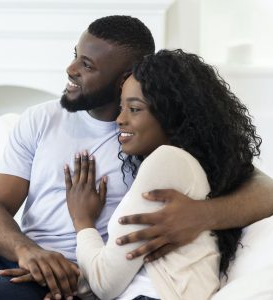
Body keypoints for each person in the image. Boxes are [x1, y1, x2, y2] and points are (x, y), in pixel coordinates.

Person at [0, 16, 273, 300]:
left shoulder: (154, 136)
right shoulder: (40, 120)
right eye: (75, 54)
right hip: (21, 255)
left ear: (127, 77)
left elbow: (264, 190)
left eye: (86, 64)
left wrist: (202, 214)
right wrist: (27, 251)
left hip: (79, 277)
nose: (70, 69)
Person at [57, 49, 261, 299]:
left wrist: (82, 221)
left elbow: (105, 283)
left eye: (134, 109)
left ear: (171, 114)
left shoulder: (167, 160)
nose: (119, 119)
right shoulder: (188, 167)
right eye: (121, 107)